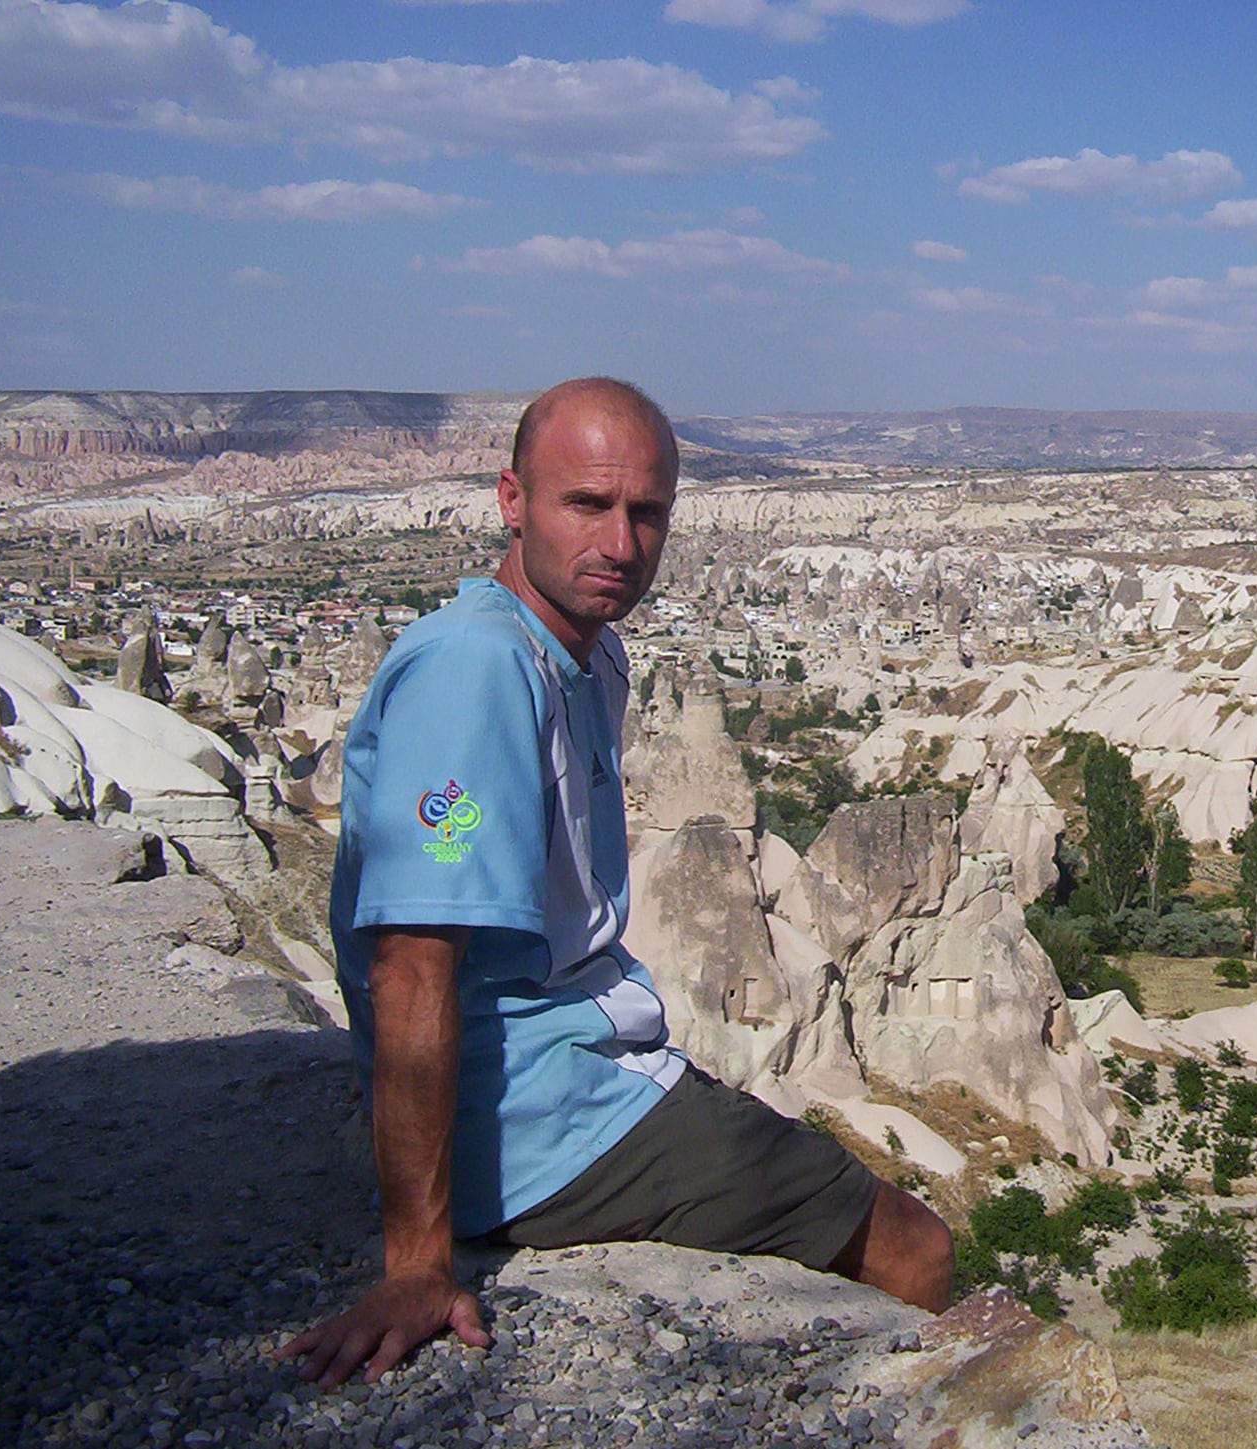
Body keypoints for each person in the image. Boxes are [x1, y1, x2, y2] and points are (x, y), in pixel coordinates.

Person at [280, 378, 952, 1390]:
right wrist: (418, 1265)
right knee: (916, 1247)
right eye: (586, 504)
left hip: (579, 1073)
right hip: (536, 1122)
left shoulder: (582, 658)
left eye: (647, 513)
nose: (621, 543)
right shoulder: (479, 668)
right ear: (512, 500)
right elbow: (411, 967)